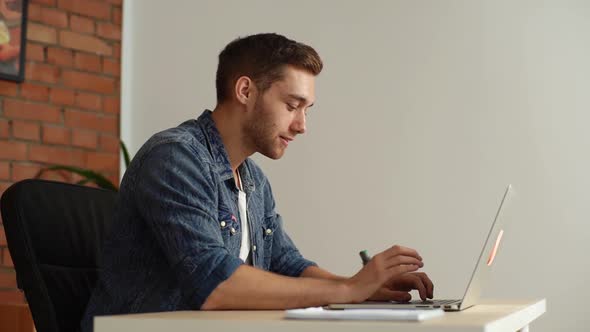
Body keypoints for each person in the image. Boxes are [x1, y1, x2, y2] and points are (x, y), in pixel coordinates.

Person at [81, 33, 433, 331]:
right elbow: (215, 284)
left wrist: (362, 287)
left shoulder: (253, 180)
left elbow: (288, 265)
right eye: (293, 105)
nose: (301, 125)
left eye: (307, 109)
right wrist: (348, 291)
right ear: (246, 91)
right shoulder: (175, 158)